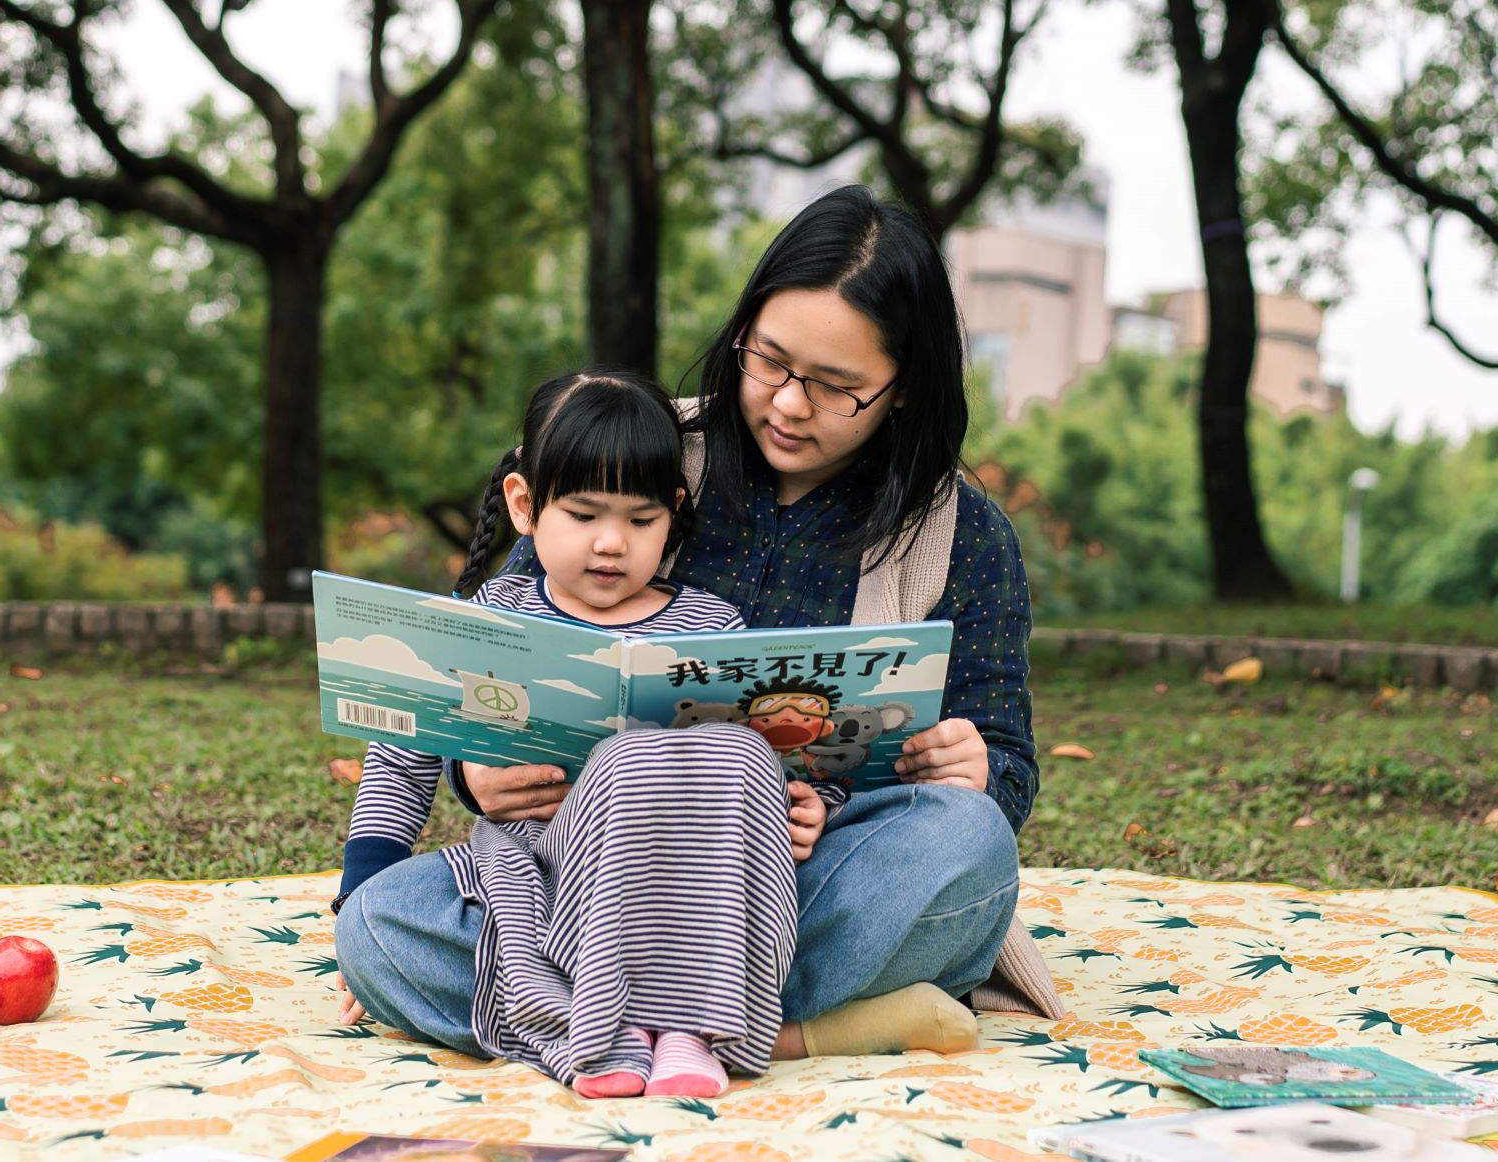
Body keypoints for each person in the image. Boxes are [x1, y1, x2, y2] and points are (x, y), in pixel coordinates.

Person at [338, 186, 1038, 1069]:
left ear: (902, 391)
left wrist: (975, 772)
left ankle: (598, 1014)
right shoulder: (635, 450)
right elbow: (499, 653)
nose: (787, 405)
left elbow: (1003, 770)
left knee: (962, 849)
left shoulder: (961, 537)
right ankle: (775, 1029)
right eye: (770, 362)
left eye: (836, 388)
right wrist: (477, 772)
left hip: (787, 882)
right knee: (377, 924)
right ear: (740, 330)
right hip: (579, 875)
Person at [333, 369, 829, 1098]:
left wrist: (805, 798)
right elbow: (402, 757)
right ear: (525, 506)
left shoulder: (710, 627)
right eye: (584, 514)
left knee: (725, 748)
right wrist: (360, 892)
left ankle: (684, 1025)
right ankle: (606, 1028)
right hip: (539, 876)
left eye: (639, 519)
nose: (610, 544)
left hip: (680, 889)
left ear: (674, 514)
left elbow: (748, 780)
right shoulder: (489, 616)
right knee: (376, 925)